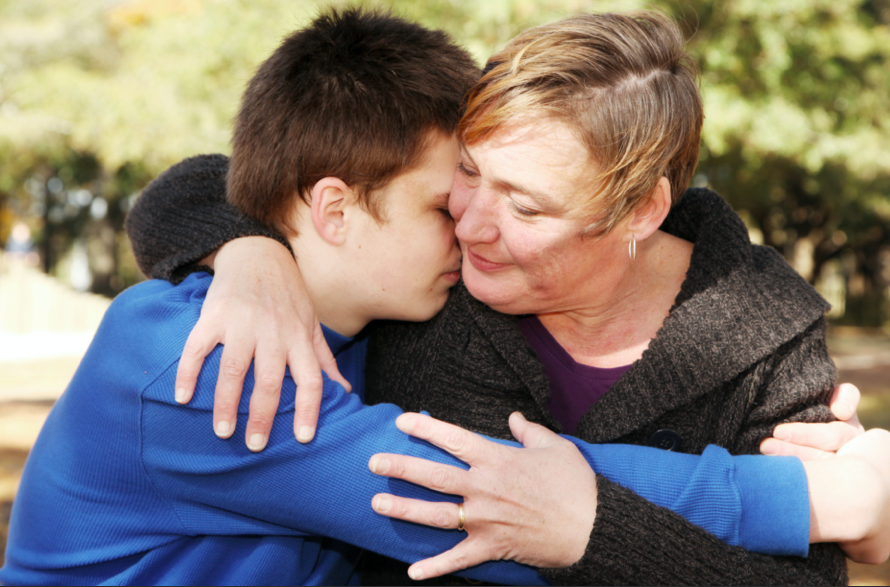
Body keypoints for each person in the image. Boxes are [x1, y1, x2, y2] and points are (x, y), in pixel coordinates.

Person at [1, 9, 859, 586]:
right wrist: (817, 499)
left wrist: (250, 246)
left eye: (518, 203)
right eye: (454, 192)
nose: (470, 226)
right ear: (334, 209)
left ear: (640, 211)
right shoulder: (215, 369)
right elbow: (485, 490)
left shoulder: (361, 314)